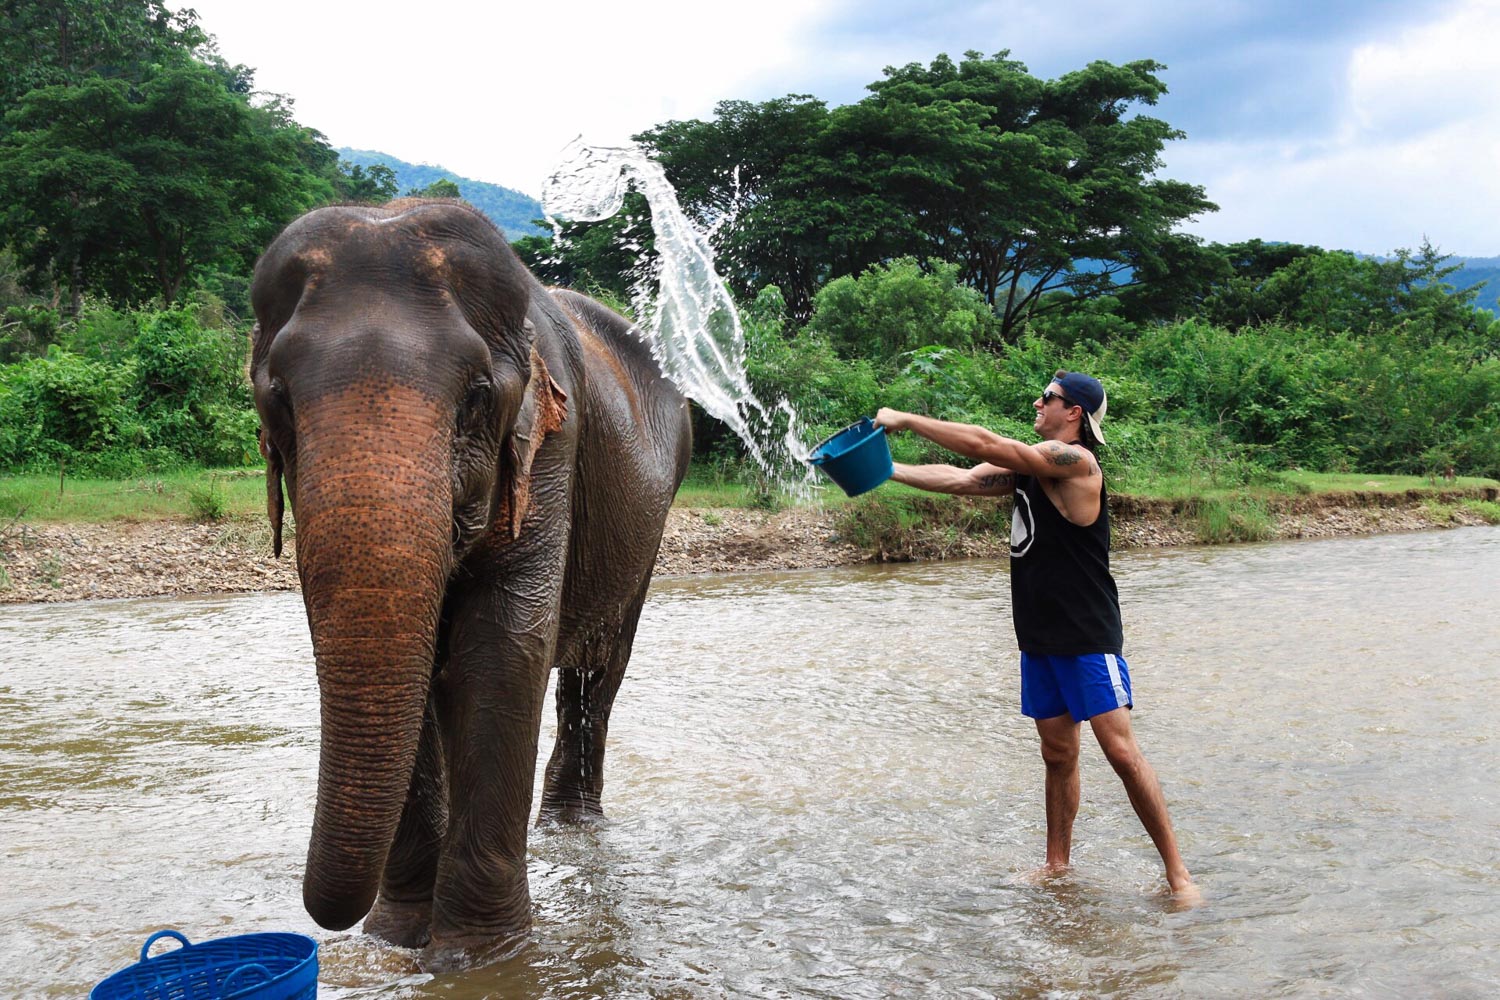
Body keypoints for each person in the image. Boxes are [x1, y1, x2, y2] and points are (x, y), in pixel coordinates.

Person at [875, 371, 1197, 901]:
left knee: (1119, 752)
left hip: (1087, 635)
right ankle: (1056, 865)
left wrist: (904, 419)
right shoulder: (1026, 469)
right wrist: (885, 468)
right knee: (1057, 753)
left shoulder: (1075, 462)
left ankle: (1179, 875)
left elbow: (985, 441)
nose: (1037, 402)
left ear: (1074, 413)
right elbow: (962, 477)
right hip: (1040, 635)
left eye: (1048, 397)